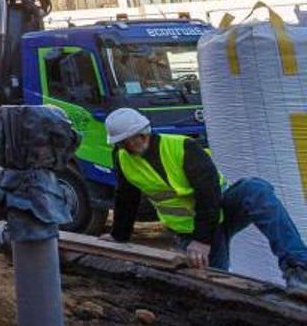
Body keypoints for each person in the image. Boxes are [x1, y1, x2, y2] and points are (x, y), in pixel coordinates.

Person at [105, 107, 307, 292]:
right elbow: (126, 198)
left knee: (255, 189)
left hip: (219, 212)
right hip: (187, 231)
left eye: (137, 136)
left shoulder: (183, 147)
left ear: (145, 131)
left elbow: (208, 194)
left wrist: (202, 241)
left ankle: (298, 269)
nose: (134, 143)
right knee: (213, 289)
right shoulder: (123, 159)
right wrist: (118, 236)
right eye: (126, 141)